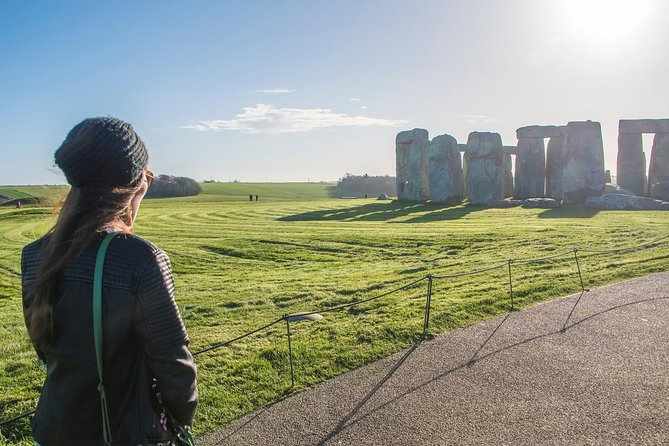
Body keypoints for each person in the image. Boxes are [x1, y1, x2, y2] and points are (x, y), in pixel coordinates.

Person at [21, 117, 198, 445]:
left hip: (53, 429)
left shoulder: (34, 255)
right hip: (121, 432)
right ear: (135, 182)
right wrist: (175, 419)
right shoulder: (142, 260)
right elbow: (175, 369)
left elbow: (46, 349)